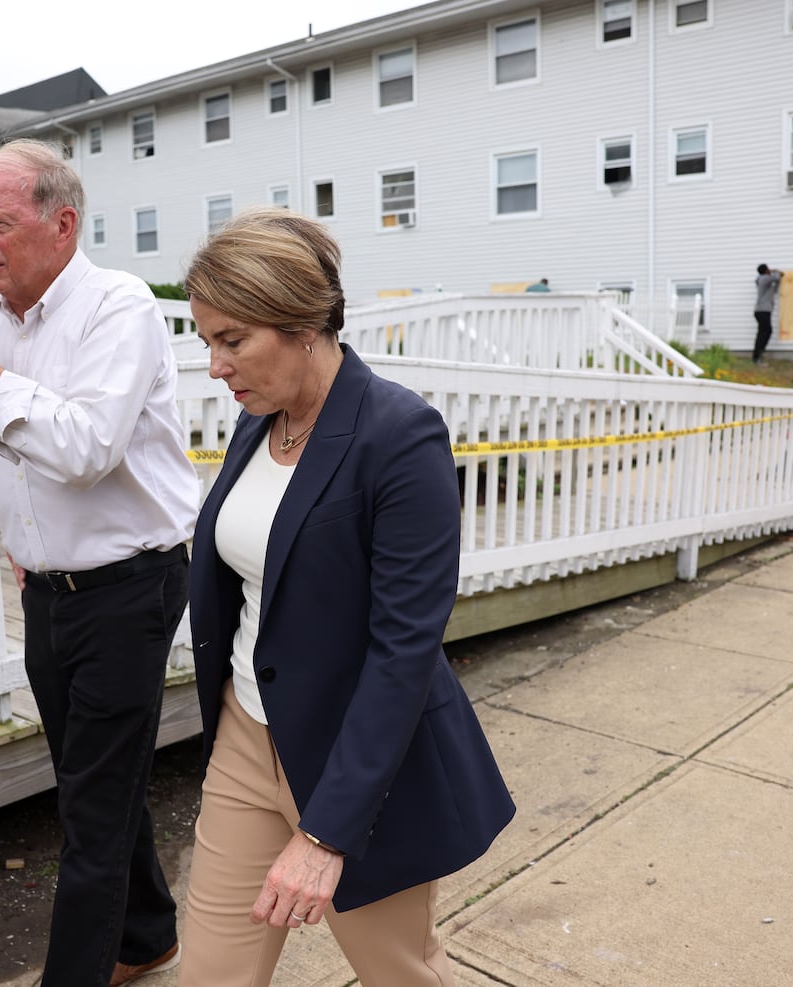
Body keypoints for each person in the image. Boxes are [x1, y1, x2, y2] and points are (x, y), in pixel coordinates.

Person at [180, 208, 516, 986]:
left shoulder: (399, 433)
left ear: (302, 323)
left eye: (232, 339)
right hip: (245, 732)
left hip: (355, 757)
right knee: (210, 973)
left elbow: (406, 645)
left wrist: (326, 833)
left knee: (398, 971)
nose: (215, 364)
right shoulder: (257, 422)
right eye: (207, 341)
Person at [0, 139, 196, 987]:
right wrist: (23, 542)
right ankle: (148, 935)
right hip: (50, 591)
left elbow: (84, 447)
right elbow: (6, 454)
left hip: (130, 583)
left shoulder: (119, 308)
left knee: (89, 805)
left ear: (62, 222)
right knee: (95, 778)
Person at [753, 263, 784, 363]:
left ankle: (758, 355)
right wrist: (777, 272)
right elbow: (776, 278)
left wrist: (777, 276)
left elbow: (775, 287)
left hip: (763, 311)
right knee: (765, 332)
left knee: (764, 332)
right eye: (768, 269)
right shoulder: (764, 278)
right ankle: (757, 357)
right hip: (763, 311)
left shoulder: (765, 282)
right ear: (766, 271)